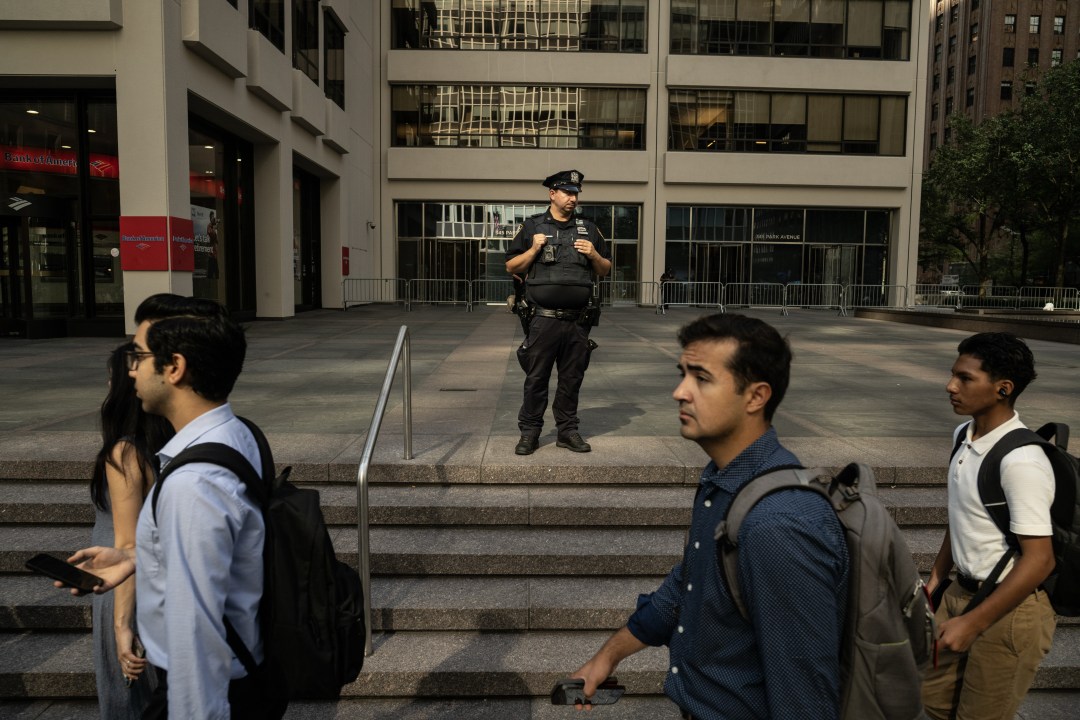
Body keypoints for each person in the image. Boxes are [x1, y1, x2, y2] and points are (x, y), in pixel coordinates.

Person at [570, 313, 849, 719]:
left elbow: (806, 695)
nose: (679, 392)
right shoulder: (726, 479)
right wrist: (608, 657)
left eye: (701, 378)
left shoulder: (779, 524)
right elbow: (686, 586)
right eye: (683, 374)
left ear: (755, 397)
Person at [64, 293, 285, 719]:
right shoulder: (241, 433)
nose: (132, 369)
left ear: (175, 368)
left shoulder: (192, 484)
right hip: (248, 670)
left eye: (140, 356)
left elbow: (195, 641)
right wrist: (135, 557)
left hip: (204, 694)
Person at [923, 332, 1057, 720]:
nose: (950, 386)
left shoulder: (1022, 461)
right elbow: (962, 515)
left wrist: (973, 622)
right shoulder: (963, 436)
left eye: (965, 378)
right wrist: (935, 580)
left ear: (1003, 388)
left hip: (1010, 610)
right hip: (959, 597)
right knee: (926, 703)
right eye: (953, 375)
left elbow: (1040, 560)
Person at [89, 343, 174, 718]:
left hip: (124, 589)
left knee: (129, 701)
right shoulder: (168, 444)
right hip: (159, 584)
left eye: (111, 378)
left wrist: (122, 625)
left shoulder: (124, 452)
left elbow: (126, 543)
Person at [505, 169, 611, 455]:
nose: (572, 198)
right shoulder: (532, 227)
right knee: (536, 378)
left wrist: (594, 254)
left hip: (578, 321)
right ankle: (529, 433)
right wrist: (533, 250)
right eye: (567, 192)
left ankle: (567, 431)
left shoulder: (590, 228)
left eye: (576, 193)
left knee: (571, 379)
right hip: (543, 319)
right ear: (552, 193)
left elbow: (605, 269)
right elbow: (512, 266)